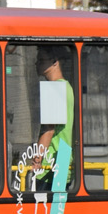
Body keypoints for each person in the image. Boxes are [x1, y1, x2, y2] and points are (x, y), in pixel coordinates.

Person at [33, 47, 75, 191]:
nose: (37, 64)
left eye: (41, 60)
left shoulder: (55, 89)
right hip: (61, 160)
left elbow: (49, 130)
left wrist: (37, 159)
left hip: (50, 165)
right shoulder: (66, 87)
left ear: (55, 62)